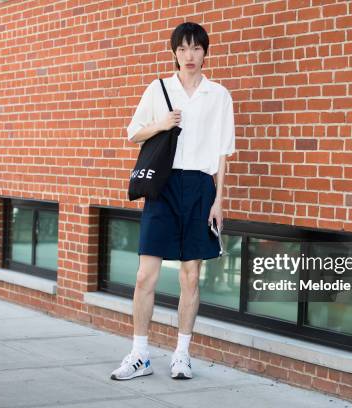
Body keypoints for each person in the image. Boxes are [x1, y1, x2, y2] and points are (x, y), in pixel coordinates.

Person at [110, 21, 235, 381]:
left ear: (205, 52)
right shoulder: (159, 89)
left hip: (200, 187)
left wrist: (219, 200)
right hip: (163, 188)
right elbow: (133, 133)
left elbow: (223, 153)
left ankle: (182, 354)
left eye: (196, 48)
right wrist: (162, 123)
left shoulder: (219, 95)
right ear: (174, 53)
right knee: (144, 275)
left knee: (190, 276)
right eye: (182, 49)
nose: (189, 56)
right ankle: (140, 354)